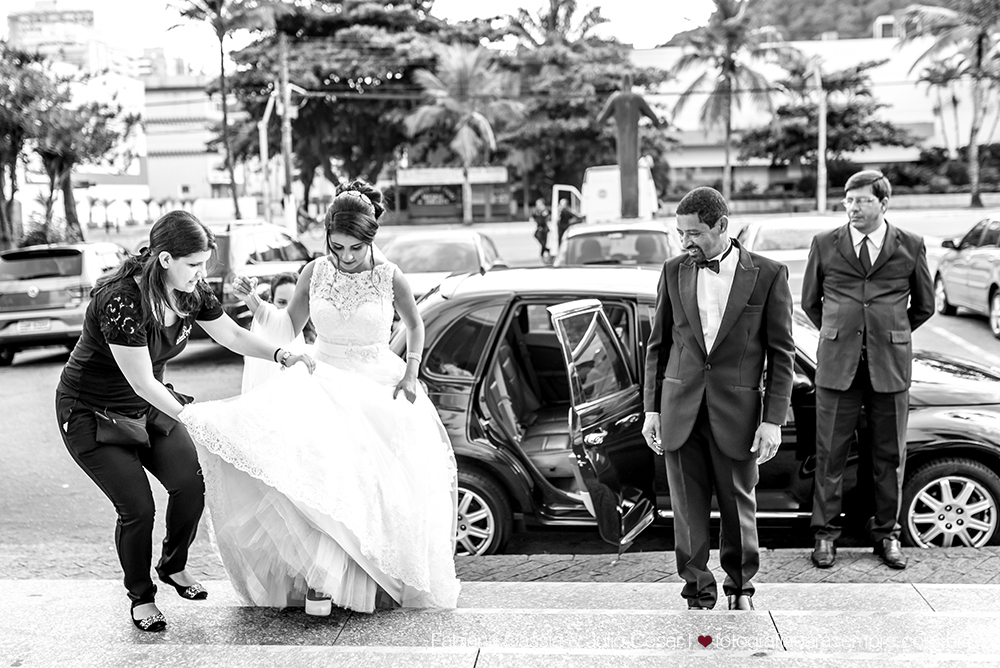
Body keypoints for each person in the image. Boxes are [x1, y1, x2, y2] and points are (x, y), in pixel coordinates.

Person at [179, 180, 461, 615]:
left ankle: (359, 582)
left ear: (371, 239)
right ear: (327, 238)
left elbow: (416, 325)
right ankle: (319, 580)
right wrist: (254, 302)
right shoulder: (315, 271)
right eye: (337, 247)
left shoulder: (390, 276)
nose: (345, 257)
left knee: (370, 489)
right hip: (322, 379)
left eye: (355, 248)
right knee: (315, 480)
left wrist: (411, 372)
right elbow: (289, 326)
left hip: (375, 386)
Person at [54, 211, 316, 633]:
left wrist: (280, 355)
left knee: (192, 481)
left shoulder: (190, 290)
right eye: (194, 264)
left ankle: (172, 565)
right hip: (91, 413)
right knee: (138, 508)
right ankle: (141, 597)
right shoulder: (121, 300)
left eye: (204, 264)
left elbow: (230, 336)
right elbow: (140, 381)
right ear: (164, 260)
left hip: (149, 405)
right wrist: (192, 417)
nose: (201, 273)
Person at [641, 186, 794, 611]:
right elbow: (658, 346)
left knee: (737, 506)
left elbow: (781, 355)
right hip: (678, 408)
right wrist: (651, 408)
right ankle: (697, 591)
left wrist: (773, 420)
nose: (685, 242)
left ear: (722, 226)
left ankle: (741, 588)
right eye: (680, 233)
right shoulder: (673, 270)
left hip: (739, 412)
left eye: (694, 233)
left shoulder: (767, 273)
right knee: (687, 512)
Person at [802, 170, 934, 571]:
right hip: (837, 367)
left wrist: (888, 334)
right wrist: (843, 333)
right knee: (830, 456)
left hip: (889, 368)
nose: (852, 207)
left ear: (883, 203)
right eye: (848, 200)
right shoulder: (825, 243)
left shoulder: (910, 245)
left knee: (888, 456)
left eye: (861, 201)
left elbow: (924, 306)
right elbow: (811, 303)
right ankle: (825, 537)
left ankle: (887, 535)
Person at [234, 272, 307, 394]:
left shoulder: (303, 330)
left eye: (293, 303)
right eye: (282, 302)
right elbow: (263, 313)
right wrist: (250, 297)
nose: (288, 310)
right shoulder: (268, 321)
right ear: (271, 301)